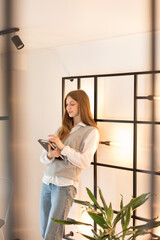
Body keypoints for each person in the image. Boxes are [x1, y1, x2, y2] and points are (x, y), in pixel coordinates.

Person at [40, 89, 100, 240]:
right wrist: (51, 154)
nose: (68, 107)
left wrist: (63, 148)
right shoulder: (62, 129)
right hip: (47, 182)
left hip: (65, 186)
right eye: (66, 104)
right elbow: (43, 158)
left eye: (72, 103)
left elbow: (85, 161)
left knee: (52, 235)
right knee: (44, 232)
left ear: (83, 105)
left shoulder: (91, 132)